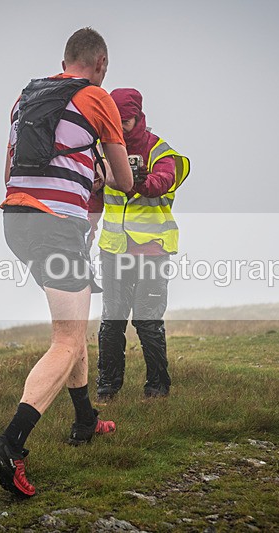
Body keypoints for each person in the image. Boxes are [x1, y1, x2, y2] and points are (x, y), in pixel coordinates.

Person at [0, 28, 134, 497]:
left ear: (63, 59)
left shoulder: (25, 98)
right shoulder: (97, 98)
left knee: (74, 322)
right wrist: (103, 172)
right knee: (66, 340)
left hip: (16, 220)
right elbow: (124, 181)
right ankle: (10, 444)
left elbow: (9, 172)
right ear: (101, 62)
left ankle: (85, 419)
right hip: (55, 225)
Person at [95, 88, 190, 402]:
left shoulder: (160, 151)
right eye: (115, 120)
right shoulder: (101, 149)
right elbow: (93, 196)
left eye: (127, 120)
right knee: (112, 321)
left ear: (139, 116)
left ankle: (157, 389)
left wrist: (126, 179)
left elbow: (161, 183)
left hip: (152, 249)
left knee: (148, 321)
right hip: (112, 249)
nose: (121, 126)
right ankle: (107, 390)